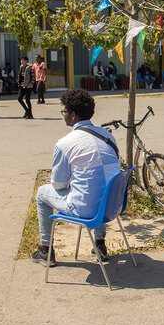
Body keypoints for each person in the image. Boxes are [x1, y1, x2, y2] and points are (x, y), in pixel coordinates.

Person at [31, 90, 120, 266]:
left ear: (72, 115)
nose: (63, 115)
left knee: (42, 194)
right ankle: (100, 243)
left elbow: (58, 183)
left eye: (64, 111)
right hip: (112, 205)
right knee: (100, 186)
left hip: (85, 209)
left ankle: (46, 250)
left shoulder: (65, 143)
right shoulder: (108, 136)